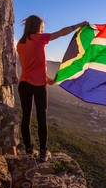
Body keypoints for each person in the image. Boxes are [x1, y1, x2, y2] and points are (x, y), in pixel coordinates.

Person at [16, 15, 88, 161]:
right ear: (37, 27)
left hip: (24, 84)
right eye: (42, 27)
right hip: (38, 86)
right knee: (42, 118)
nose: (43, 30)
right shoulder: (39, 39)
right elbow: (61, 32)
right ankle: (43, 153)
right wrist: (79, 25)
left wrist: (47, 78)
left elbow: (29, 67)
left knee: (26, 117)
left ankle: (29, 150)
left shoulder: (20, 44)